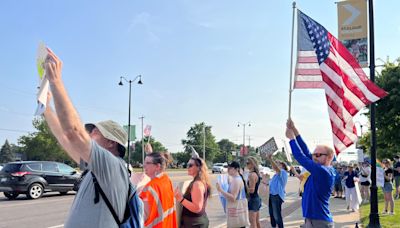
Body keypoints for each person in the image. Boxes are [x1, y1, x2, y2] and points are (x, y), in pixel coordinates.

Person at [42, 49, 130, 227]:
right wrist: (45, 108)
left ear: (111, 142)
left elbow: (73, 132)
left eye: (95, 132)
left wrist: (56, 81)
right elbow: (66, 138)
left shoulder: (111, 165)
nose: (89, 135)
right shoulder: (97, 166)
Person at [286, 119, 335, 228]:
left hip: (320, 222)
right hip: (312, 219)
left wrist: (291, 139)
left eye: (318, 155)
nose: (314, 157)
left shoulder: (323, 171)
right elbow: (306, 152)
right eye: (314, 154)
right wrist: (294, 129)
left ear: (329, 157)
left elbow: (300, 157)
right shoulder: (320, 167)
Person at [140, 152, 177, 227]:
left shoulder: (148, 188)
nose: (144, 165)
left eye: (147, 163)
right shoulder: (166, 179)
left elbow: (142, 217)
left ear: (157, 166)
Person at [174, 156, 211, 227]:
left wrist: (180, 199)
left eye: (190, 165)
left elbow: (197, 208)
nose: (188, 167)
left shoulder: (197, 184)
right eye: (187, 165)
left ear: (198, 167)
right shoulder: (201, 181)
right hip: (197, 221)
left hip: (194, 223)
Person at [216, 161, 247, 228]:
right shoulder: (236, 179)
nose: (228, 170)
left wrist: (221, 190)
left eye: (230, 168)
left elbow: (233, 198)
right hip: (238, 211)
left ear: (236, 169)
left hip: (236, 211)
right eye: (228, 168)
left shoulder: (236, 180)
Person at [266, 154, 288, 228]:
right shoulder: (276, 175)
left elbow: (275, 168)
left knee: (277, 215)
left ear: (282, 166)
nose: (275, 164)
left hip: (277, 196)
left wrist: (270, 159)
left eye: (277, 163)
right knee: (272, 214)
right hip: (272, 195)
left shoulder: (283, 172)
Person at [246, 157, 262, 228]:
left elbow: (252, 190)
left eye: (248, 163)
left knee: (252, 222)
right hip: (256, 199)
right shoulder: (256, 174)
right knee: (256, 221)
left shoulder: (252, 175)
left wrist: (243, 188)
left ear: (252, 164)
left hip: (252, 199)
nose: (246, 165)